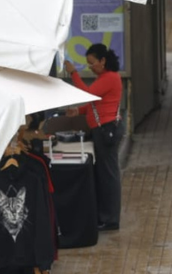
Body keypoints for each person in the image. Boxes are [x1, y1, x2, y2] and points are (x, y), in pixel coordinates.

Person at [64, 44, 123, 231]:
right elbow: (97, 104)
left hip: (105, 130)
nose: (90, 67)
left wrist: (74, 73)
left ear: (103, 61)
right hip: (102, 129)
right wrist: (79, 111)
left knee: (108, 175)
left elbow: (87, 95)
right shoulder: (105, 78)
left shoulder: (109, 78)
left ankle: (110, 218)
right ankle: (106, 215)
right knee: (105, 174)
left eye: (92, 63)